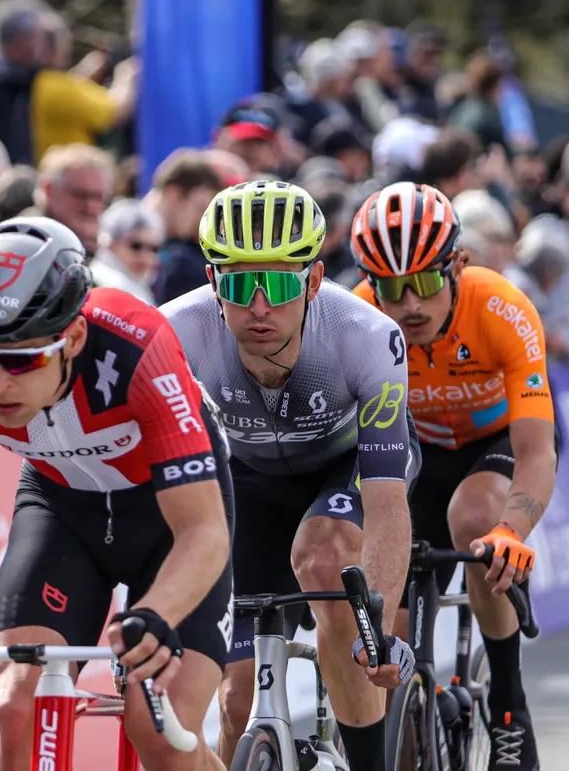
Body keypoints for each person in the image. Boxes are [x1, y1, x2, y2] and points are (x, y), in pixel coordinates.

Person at [0, 217, 235, 771]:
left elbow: (203, 531)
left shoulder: (135, 342)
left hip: (170, 515)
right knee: (17, 706)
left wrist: (156, 612)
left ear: (76, 339)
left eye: (21, 361)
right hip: (62, 506)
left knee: (157, 729)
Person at [160, 180, 420, 771]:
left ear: (313, 279)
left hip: (346, 468)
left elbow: (385, 503)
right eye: (237, 283)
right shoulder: (173, 336)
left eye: (277, 284)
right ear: (210, 281)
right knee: (234, 701)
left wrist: (373, 630)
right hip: (246, 481)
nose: (257, 307)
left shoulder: (366, 337)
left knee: (325, 559)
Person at [350, 182, 558, 771]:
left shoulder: (501, 308)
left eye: (424, 282)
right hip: (417, 451)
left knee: (474, 523)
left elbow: (537, 452)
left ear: (458, 266)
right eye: (391, 288)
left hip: (493, 445)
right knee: (387, 598)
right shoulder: (356, 315)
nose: (410, 304)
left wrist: (511, 532)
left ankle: (509, 704)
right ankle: (408, 718)